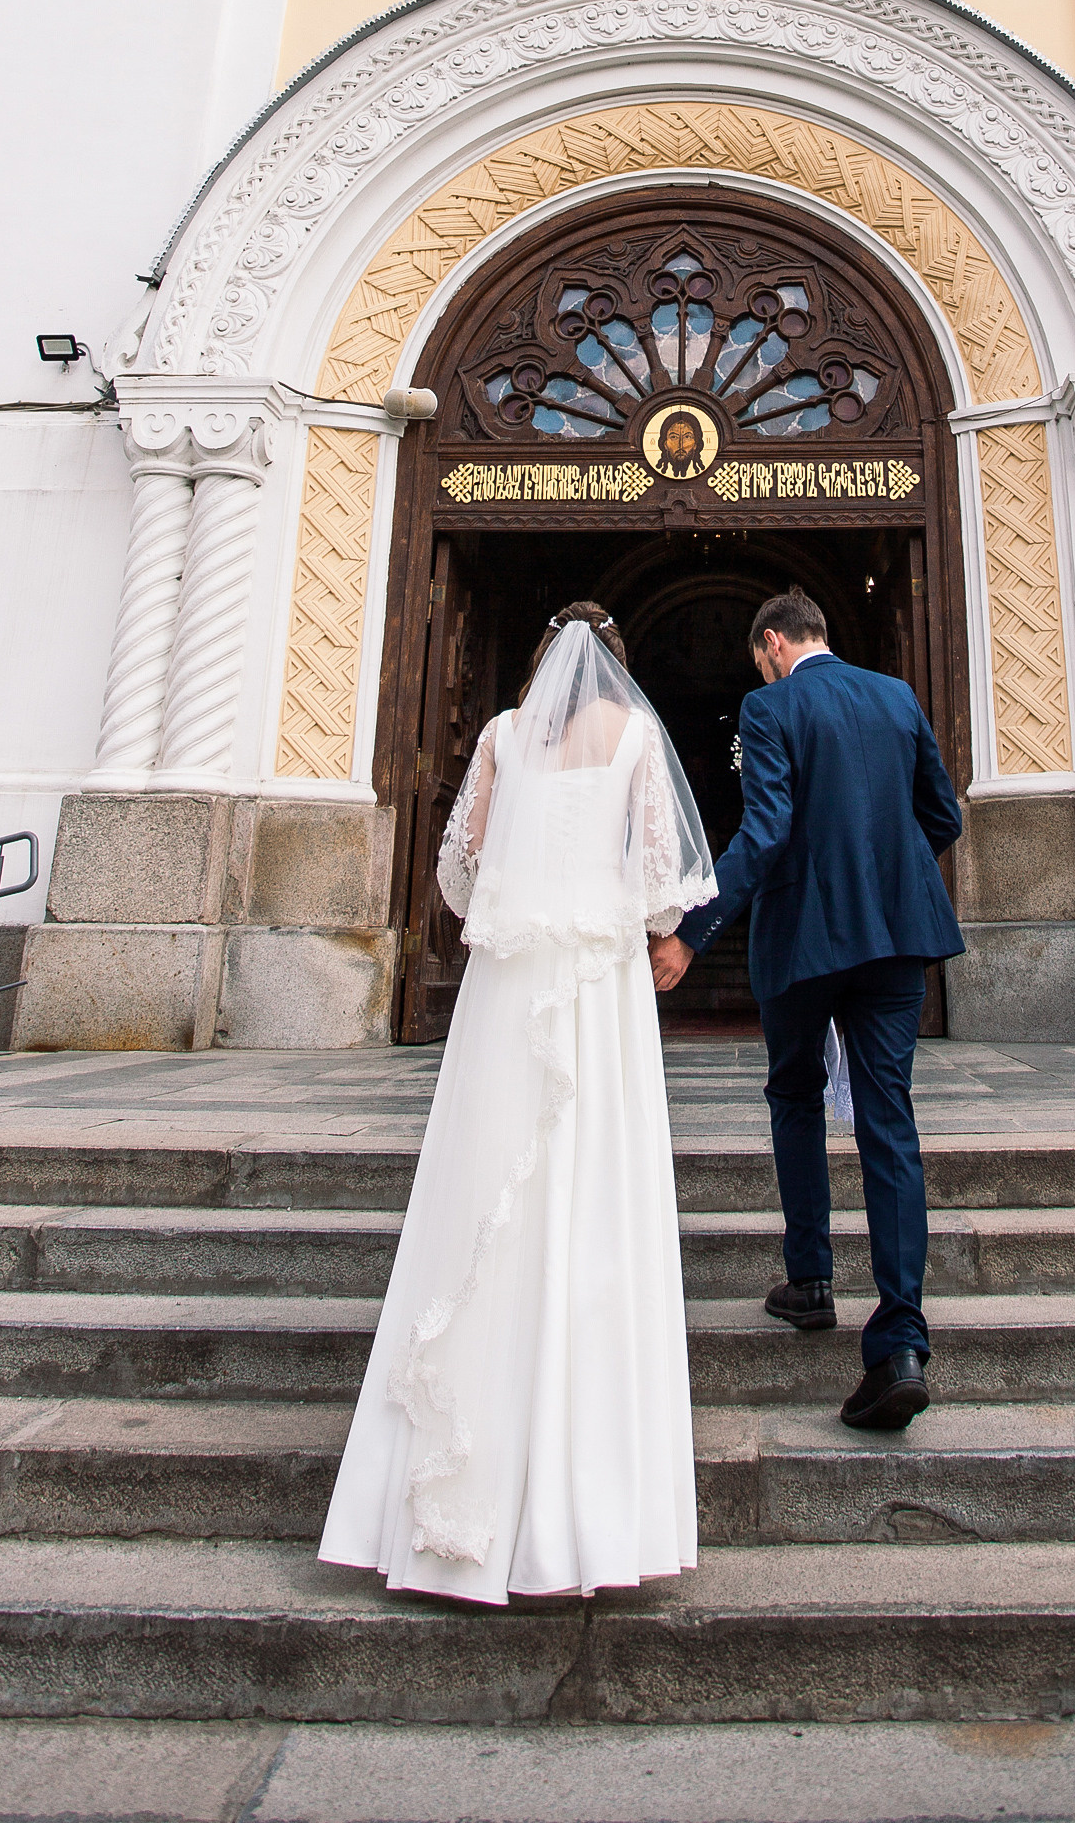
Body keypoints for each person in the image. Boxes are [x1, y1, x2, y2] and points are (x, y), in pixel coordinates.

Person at [321, 602, 716, 1602]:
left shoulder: (501, 734)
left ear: (541, 661)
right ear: (615, 666)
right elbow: (662, 880)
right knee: (592, 1177)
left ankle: (450, 1464)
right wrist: (627, 909)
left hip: (510, 975)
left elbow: (460, 869)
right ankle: (587, 1501)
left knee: (485, 1173)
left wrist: (520, 884)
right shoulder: (636, 734)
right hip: (596, 976)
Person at [650, 588, 965, 1432]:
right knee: (888, 1118)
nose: (764, 671)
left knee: (795, 1094)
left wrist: (691, 932)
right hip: (897, 936)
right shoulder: (896, 696)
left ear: (774, 644)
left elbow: (766, 832)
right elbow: (941, 815)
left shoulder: (772, 706)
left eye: (762, 659)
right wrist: (885, 872)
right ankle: (900, 1344)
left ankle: (811, 1278)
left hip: (804, 939)